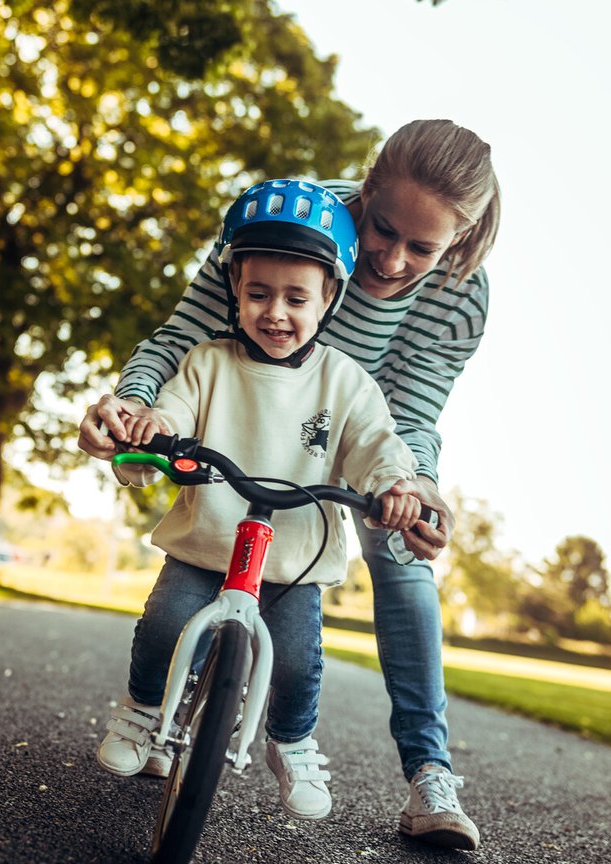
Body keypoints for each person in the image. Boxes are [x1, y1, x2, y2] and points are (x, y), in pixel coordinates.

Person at [80, 119, 500, 850]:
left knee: (403, 563)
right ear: (363, 194)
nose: (392, 260)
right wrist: (133, 403)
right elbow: (187, 339)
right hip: (248, 412)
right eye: (381, 228)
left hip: (351, 429)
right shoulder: (285, 223)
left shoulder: (461, 297)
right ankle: (159, 711)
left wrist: (416, 489)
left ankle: (429, 774)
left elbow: (409, 415)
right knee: (184, 585)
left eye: (422, 248)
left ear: (456, 244)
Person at [93, 179, 426, 823]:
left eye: (297, 297)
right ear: (235, 293)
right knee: (165, 622)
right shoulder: (207, 363)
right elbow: (173, 411)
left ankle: (293, 742)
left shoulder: (345, 383)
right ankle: (141, 710)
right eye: (258, 294)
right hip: (206, 544)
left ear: (329, 298)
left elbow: (375, 444)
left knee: (298, 662)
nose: (277, 312)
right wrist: (152, 434)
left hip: (293, 559)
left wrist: (395, 486)